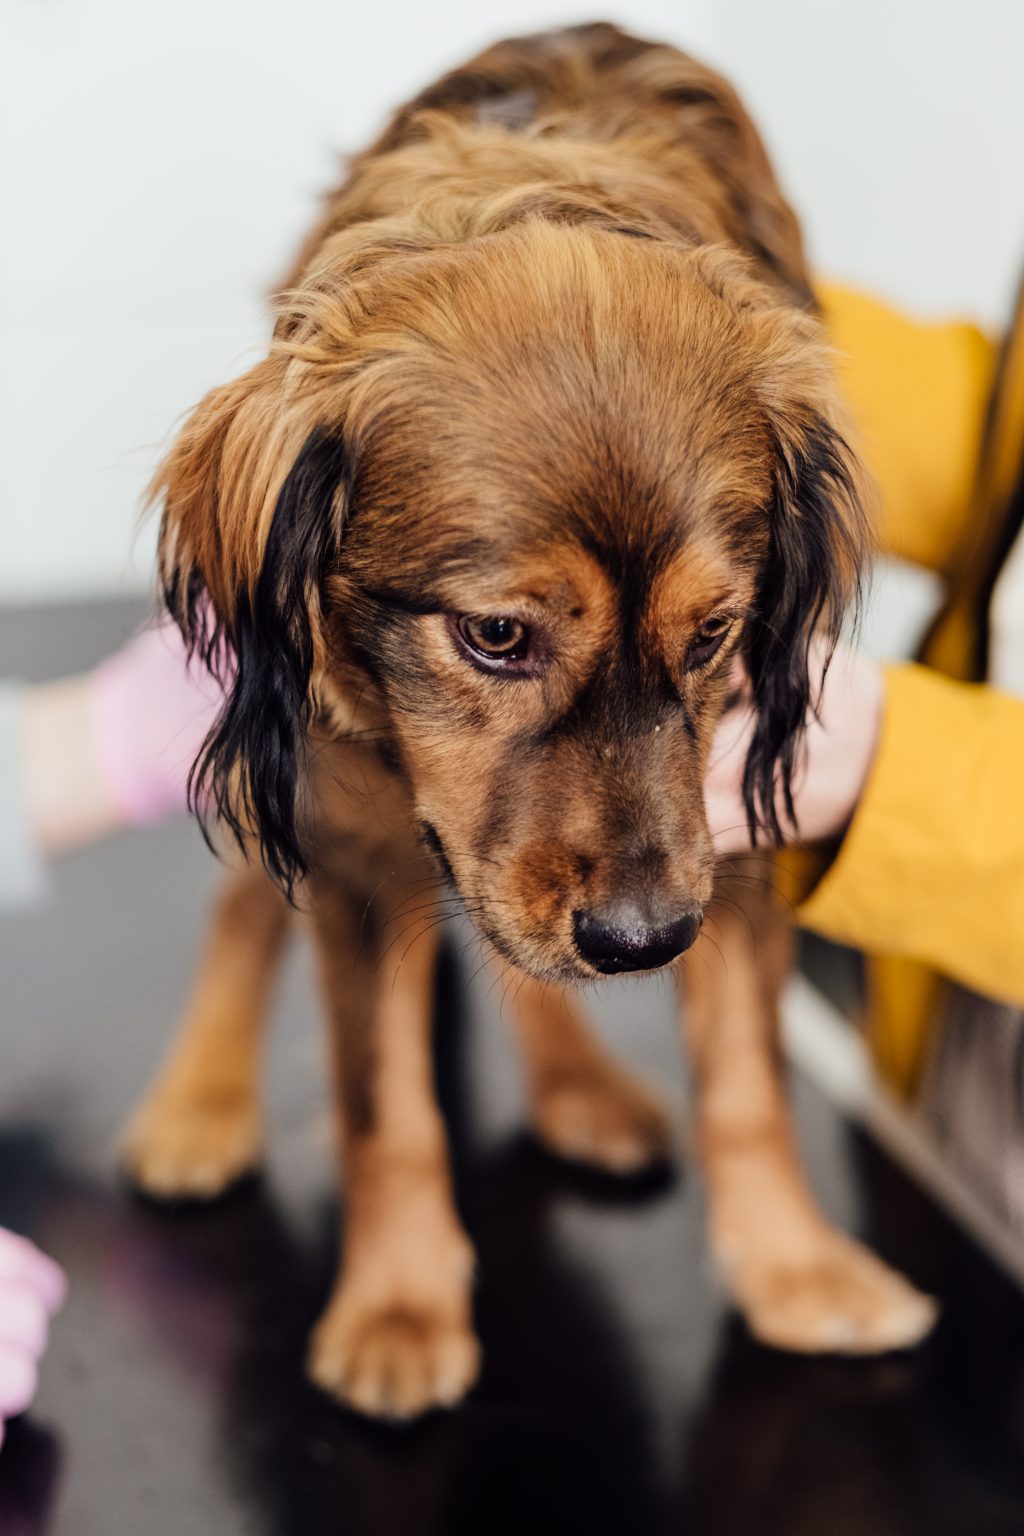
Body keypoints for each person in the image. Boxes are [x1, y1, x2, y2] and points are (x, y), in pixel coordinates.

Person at [1, 274, 1022, 1443]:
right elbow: (1002, 436)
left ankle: (566, 1053)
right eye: (499, 631)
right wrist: (592, 299)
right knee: (354, 801)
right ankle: (254, 999)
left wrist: (907, 776)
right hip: (960, 1066)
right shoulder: (349, 461)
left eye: (712, 628)